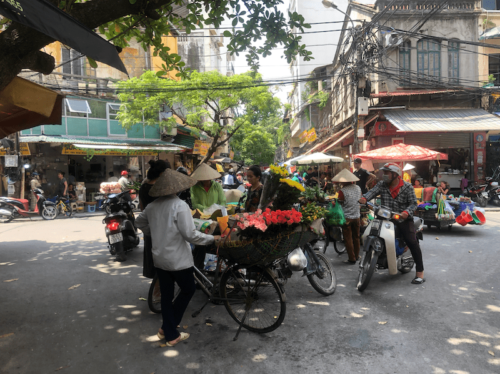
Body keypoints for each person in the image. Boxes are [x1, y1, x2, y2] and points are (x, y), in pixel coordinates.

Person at [135, 169, 219, 347]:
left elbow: (139, 222)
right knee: (188, 289)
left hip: (160, 258)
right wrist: (212, 238)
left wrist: (154, 233)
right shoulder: (180, 206)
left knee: (167, 295)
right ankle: (171, 333)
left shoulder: (152, 206)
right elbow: (190, 235)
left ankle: (167, 328)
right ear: (177, 189)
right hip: (178, 260)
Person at [359, 163, 425, 285]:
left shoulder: (407, 187)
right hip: (384, 217)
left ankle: (420, 273)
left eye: (386, 173)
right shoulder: (382, 185)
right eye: (383, 173)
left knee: (411, 241)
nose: (384, 175)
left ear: (395, 174)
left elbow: (413, 204)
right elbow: (372, 192)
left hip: (402, 218)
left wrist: (406, 212)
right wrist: (364, 198)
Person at [138, 160, 171, 273]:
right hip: (163, 227)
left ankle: (156, 287)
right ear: (162, 173)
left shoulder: (143, 187)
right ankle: (158, 289)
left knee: (152, 258)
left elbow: (142, 209)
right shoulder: (161, 189)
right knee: (163, 263)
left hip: (149, 227)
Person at [333, 169, 362, 264]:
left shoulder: (342, 191)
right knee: (356, 237)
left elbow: (340, 203)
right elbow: (360, 199)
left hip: (347, 218)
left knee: (348, 238)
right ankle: (357, 256)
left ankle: (352, 258)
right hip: (357, 216)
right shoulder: (358, 188)